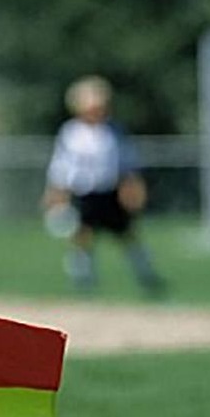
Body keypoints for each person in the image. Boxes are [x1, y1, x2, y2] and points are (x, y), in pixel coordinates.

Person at [43, 75, 164, 294]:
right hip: (84, 193)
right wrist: (57, 194)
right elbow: (61, 167)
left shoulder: (114, 131)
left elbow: (127, 163)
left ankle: (146, 274)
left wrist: (133, 186)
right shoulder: (71, 133)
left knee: (127, 234)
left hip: (109, 192)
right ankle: (83, 278)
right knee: (82, 236)